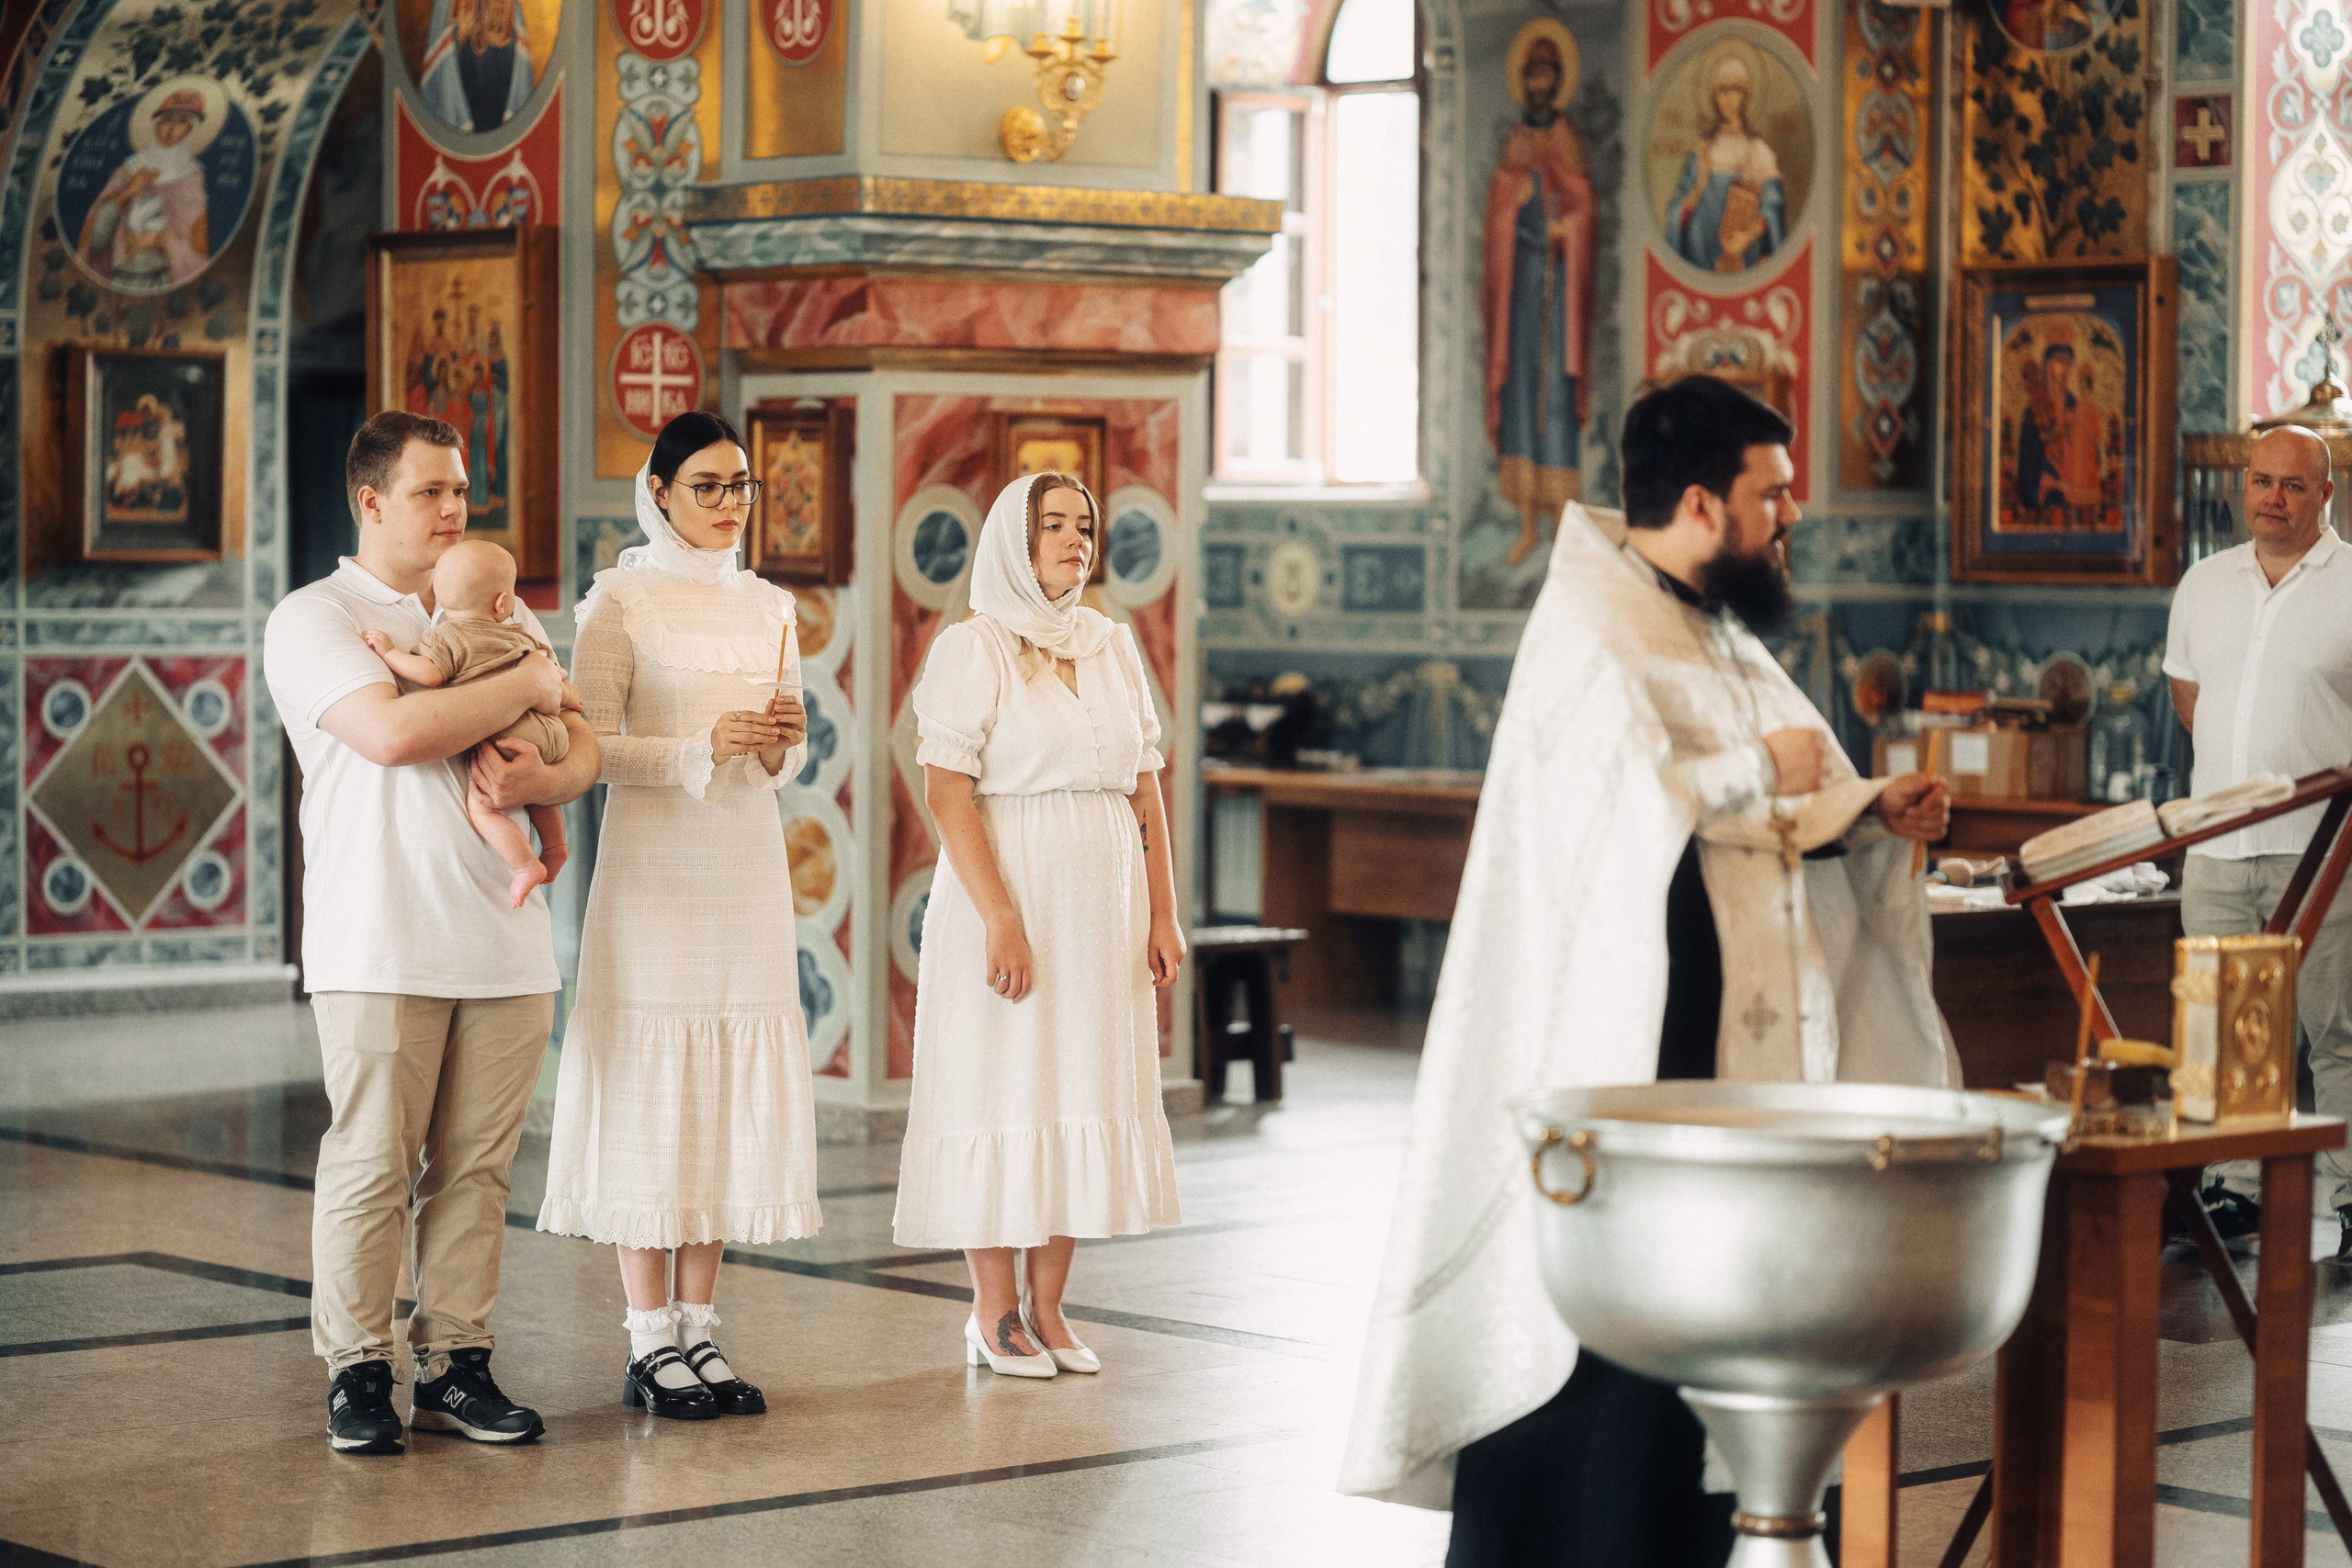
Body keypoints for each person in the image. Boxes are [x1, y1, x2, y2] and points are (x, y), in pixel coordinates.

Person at [1340, 375, 1956, 1563]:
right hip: (1620, 1060)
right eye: (1771, 494)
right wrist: (1758, 775)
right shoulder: (1593, 624)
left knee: (1702, 1345)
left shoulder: (1716, 623)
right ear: (1699, 499)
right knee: (1604, 1356)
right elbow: (1622, 814)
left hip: (1717, 1057)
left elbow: (1772, 795)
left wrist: (1868, 804)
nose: (1791, 516)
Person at [262, 410, 600, 1455]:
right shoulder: (316, 617)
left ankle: (457, 1363)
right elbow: (398, 732)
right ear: (370, 502)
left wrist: (549, 764)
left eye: (461, 490)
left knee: (476, 1171)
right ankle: (358, 1370)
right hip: (380, 935)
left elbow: (583, 749)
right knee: (372, 1159)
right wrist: (530, 683)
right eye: (430, 493)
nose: (454, 510)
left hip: (504, 943)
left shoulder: (498, 604)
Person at [537, 410, 820, 1420]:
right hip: (655, 868)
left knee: (721, 1082)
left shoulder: (772, 605)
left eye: (740, 485)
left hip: (743, 864)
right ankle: (647, 1336)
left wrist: (782, 738)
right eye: (707, 486)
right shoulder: (620, 602)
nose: (729, 504)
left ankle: (700, 1328)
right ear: (657, 492)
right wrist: (699, 743)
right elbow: (591, 747)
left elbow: (787, 752)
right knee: (657, 1071)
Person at [893, 471, 1187, 1379]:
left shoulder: (1110, 644)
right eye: (1050, 525)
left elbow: (1144, 785)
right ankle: (992, 1312)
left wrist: (1163, 912)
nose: (1073, 538)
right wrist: (1000, 916)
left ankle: (1049, 1309)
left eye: (1083, 523)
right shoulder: (971, 649)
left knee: (1076, 1087)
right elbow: (947, 790)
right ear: (1011, 546)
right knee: (1002, 1086)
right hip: (1008, 892)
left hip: (1102, 903)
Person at [2165, 423, 2352, 1254]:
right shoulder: (2204, 583)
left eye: (2293, 485)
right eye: (2261, 481)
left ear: (2326, 496)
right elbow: (2188, 697)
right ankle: (2232, 1189)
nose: (2273, 498)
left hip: (2321, 849)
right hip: (2217, 846)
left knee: (2334, 1031)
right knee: (2223, 1032)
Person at [360, 539, 578, 908]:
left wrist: (390, 651)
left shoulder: (448, 636)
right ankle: (555, 846)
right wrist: (571, 698)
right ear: (501, 603)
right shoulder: (516, 631)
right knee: (535, 791)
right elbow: (552, 677)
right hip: (549, 731)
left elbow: (428, 674)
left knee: (483, 806)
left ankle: (526, 865)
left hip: (507, 737)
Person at [1484, 22, 1596, 571]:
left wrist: (1566, 232)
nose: (1540, 82)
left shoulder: (1565, 137)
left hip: (1558, 288)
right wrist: (1516, 202)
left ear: (1557, 81)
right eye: (1533, 73)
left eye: (1548, 73)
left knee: (1556, 396)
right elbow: (1498, 211)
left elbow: (1583, 208)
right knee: (1523, 396)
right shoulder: (1515, 140)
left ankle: (1560, 528)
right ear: (1523, 81)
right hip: (1522, 290)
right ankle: (1527, 525)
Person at [77, 88, 214, 289]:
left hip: (164, 280)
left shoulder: (191, 179)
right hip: (122, 278)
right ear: (155, 125)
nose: (170, 128)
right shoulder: (128, 171)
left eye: (181, 121)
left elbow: (197, 247)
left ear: (191, 130)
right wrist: (129, 190)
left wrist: (158, 240)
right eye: (166, 120)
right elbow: (96, 241)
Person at [1664, 51, 1786, 276]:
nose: (1729, 98)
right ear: (1714, 97)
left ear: (1745, 96)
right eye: (1723, 90)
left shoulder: (1758, 151)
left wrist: (1748, 236)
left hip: (1742, 251)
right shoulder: (1701, 150)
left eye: (1735, 90)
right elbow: (1678, 204)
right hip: (1699, 248)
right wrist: (1689, 201)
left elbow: (1773, 208)